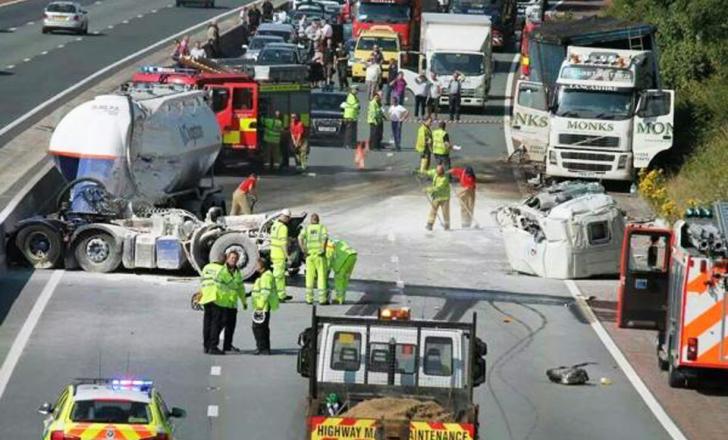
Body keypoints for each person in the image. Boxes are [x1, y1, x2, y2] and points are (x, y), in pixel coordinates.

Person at [217, 249, 246, 353]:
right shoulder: (222, 270)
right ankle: (212, 344)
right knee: (220, 325)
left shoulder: (237, 272)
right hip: (222, 302)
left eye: (235, 258)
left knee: (231, 326)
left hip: (233, 304)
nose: (233, 260)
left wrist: (244, 301)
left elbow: (241, 288)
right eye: (232, 258)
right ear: (227, 259)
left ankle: (227, 346)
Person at [250, 257, 279, 355]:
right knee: (262, 328)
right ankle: (264, 348)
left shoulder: (266, 276)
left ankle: (262, 348)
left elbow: (265, 293)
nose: (255, 266)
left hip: (262, 307)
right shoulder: (263, 276)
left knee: (258, 328)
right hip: (261, 306)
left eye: (257, 264)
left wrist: (260, 306)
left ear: (262, 265)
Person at [299, 213, 329, 305]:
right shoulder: (321, 227)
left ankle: (309, 299)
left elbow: (299, 238)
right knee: (321, 277)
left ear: (311, 220)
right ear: (318, 220)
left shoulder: (307, 228)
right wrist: (323, 249)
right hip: (319, 256)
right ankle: (322, 299)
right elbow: (325, 238)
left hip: (309, 256)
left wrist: (303, 249)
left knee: (309, 277)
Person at [199, 258, 226, 355]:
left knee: (207, 323)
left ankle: (206, 346)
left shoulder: (206, 267)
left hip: (206, 297)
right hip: (216, 298)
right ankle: (213, 346)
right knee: (216, 323)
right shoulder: (222, 269)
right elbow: (227, 283)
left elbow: (202, 280)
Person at [270, 209, 293, 302]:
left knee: (279, 276)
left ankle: (282, 294)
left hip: (274, 253)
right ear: (286, 217)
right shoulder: (283, 228)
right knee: (279, 276)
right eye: (289, 218)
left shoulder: (274, 225)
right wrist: (288, 256)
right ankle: (279, 296)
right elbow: (283, 244)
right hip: (279, 255)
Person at [325, 238, 358, 305]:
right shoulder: (334, 240)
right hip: (352, 256)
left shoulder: (328, 245)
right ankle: (342, 298)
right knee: (344, 278)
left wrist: (327, 270)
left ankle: (339, 299)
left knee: (339, 277)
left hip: (345, 257)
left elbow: (329, 257)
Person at [423, 164, 451, 231]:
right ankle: (430, 224)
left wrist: (427, 190)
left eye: (439, 172)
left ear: (442, 171)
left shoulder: (444, 179)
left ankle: (447, 226)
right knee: (433, 211)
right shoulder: (435, 172)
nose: (437, 173)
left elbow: (438, 188)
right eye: (437, 171)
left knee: (445, 213)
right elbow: (427, 172)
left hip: (444, 198)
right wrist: (418, 172)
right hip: (436, 197)